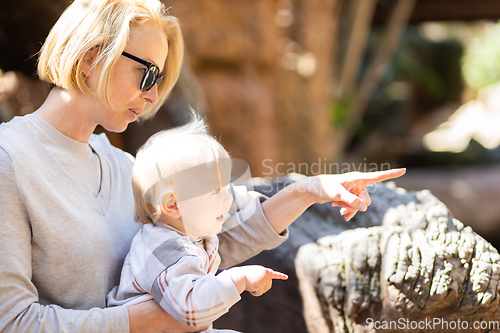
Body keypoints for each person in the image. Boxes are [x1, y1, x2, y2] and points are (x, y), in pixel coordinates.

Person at [0, 0, 406, 332]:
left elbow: (199, 252)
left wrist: (308, 191)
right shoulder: (9, 161)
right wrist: (142, 322)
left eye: (160, 78)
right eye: (147, 73)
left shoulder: (123, 164)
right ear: (92, 58)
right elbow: (12, 323)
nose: (154, 93)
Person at [107, 116, 289, 332]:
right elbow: (191, 308)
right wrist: (238, 278)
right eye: (215, 190)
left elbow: (234, 196)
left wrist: (251, 197)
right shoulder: (163, 251)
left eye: (225, 186)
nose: (227, 198)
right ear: (172, 204)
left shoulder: (185, 234)